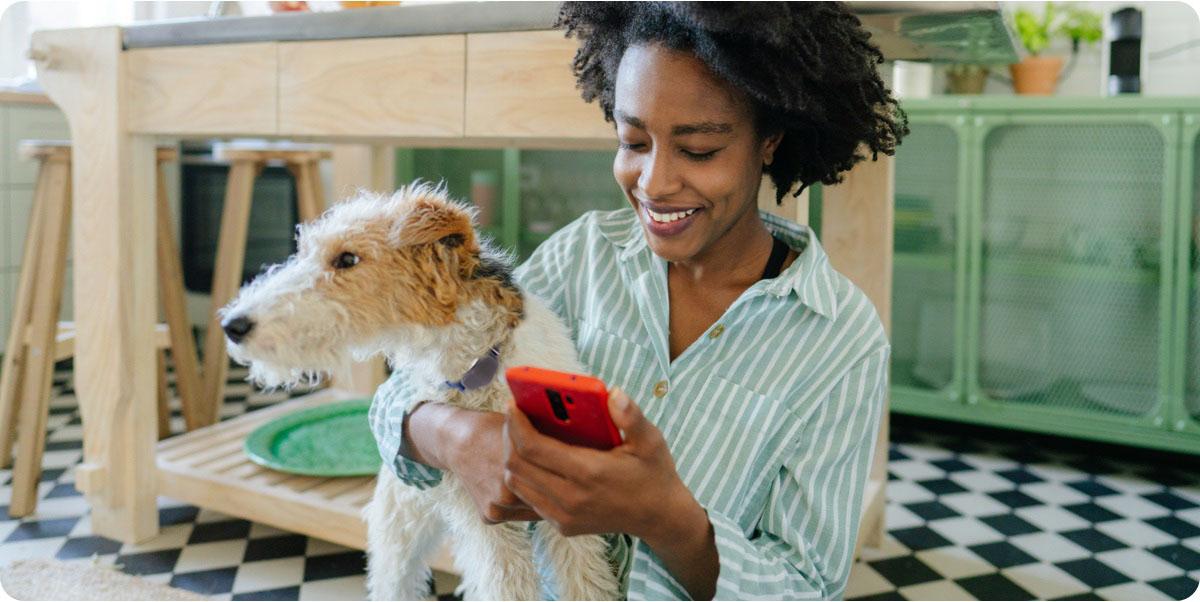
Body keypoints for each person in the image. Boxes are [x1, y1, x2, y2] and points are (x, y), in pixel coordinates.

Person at [368, 2, 907, 599]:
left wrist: (666, 517)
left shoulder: (840, 340)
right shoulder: (580, 258)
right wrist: (453, 436)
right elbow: (400, 398)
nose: (654, 183)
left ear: (770, 142)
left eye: (698, 150)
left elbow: (806, 585)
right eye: (633, 141)